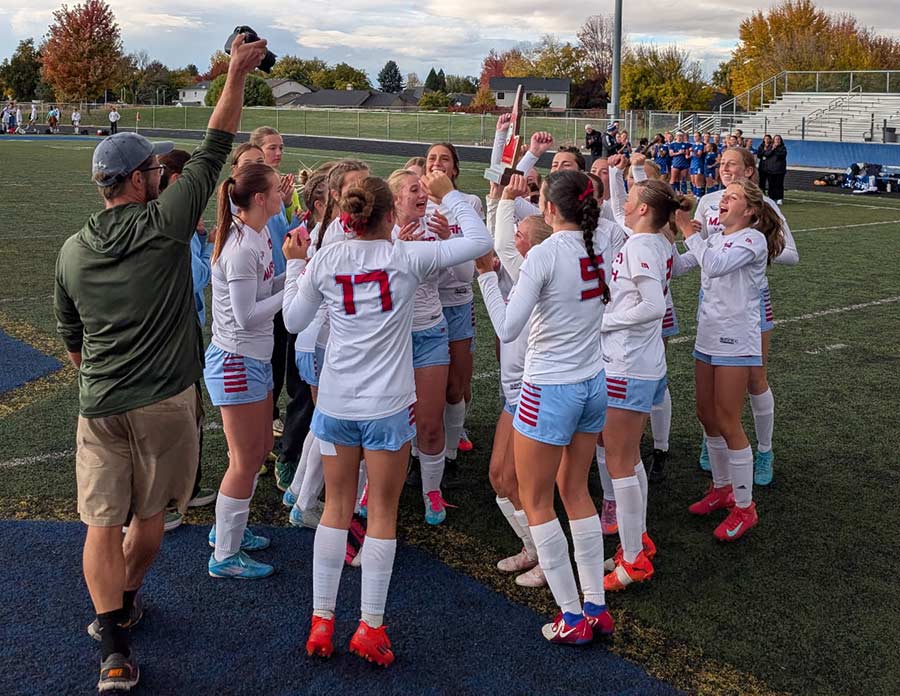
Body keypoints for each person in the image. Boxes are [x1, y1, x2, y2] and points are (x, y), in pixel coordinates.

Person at [53, 31, 268, 694]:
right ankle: (124, 602)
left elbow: (72, 340)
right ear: (142, 178)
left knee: (99, 523)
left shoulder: (70, 250)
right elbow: (216, 140)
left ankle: (112, 642)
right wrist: (235, 70)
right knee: (149, 523)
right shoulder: (166, 222)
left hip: (100, 404)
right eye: (151, 170)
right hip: (165, 402)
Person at [281, 172, 491, 666]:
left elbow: (292, 322)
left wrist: (294, 267)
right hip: (387, 410)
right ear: (390, 214)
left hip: (335, 406)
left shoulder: (329, 256)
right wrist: (450, 196)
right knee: (381, 515)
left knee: (335, 509)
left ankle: (321, 621)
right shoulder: (405, 256)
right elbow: (479, 241)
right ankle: (369, 627)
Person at [477, 170, 615, 644]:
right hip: (592, 384)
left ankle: (571, 616)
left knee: (537, 502)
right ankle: (595, 606)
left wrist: (484, 280)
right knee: (576, 493)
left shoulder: (544, 255)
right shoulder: (601, 245)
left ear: (551, 209)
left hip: (549, 388)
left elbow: (508, 328)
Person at [679, 179, 784, 541]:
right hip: (708, 334)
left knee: (727, 418)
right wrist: (660, 237)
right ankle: (722, 488)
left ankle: (745, 507)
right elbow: (681, 267)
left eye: (733, 197)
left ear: (750, 210)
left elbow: (716, 264)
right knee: (705, 414)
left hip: (736, 339)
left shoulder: (752, 239)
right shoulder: (715, 237)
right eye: (725, 195)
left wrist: (686, 231)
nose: (723, 199)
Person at [600, 178, 690, 591]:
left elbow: (653, 306)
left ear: (641, 209)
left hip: (628, 363)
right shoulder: (654, 240)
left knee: (620, 462)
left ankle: (633, 557)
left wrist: (602, 322)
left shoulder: (641, 245)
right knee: (629, 461)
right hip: (641, 361)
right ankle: (636, 543)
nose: (625, 200)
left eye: (632, 196)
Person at [693, 147, 798, 485]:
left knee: (754, 379)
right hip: (711, 299)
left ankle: (764, 450)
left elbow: (791, 255)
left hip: (750, 302)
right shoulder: (708, 200)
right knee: (712, 383)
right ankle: (717, 441)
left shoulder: (762, 207)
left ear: (750, 170)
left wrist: (750, 249)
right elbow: (702, 251)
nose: (725, 168)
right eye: (721, 164)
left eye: (732, 164)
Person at [479, 173, 552, 588]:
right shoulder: (526, 270)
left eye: (523, 234)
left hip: (531, 392)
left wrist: (506, 198)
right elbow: (499, 234)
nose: (514, 239)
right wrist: (500, 198)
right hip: (515, 394)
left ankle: (548, 556)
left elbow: (502, 243)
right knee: (500, 477)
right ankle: (533, 547)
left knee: (522, 482)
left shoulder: (534, 271)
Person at [157, 148, 219, 512]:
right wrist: (202, 240)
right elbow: (195, 277)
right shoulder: (173, 222)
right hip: (175, 334)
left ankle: (180, 491)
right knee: (178, 417)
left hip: (173, 330)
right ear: (179, 179)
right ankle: (170, 499)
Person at [424, 142, 482, 478]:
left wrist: (448, 242)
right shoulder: (414, 204)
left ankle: (449, 451)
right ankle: (427, 447)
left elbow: (468, 270)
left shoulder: (467, 204)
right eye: (432, 158)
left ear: (454, 169)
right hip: (424, 306)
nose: (437, 163)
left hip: (457, 302)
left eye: (444, 158)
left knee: (457, 384)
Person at [767, 135, 787, 204]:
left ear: (780, 140)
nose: (777, 141)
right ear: (773, 140)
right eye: (776, 139)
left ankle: (779, 198)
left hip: (779, 170)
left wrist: (775, 149)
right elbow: (766, 154)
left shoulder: (783, 148)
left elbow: (781, 156)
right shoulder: (770, 147)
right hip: (770, 170)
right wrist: (772, 149)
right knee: (771, 184)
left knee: (779, 184)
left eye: (778, 139)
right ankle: (771, 197)